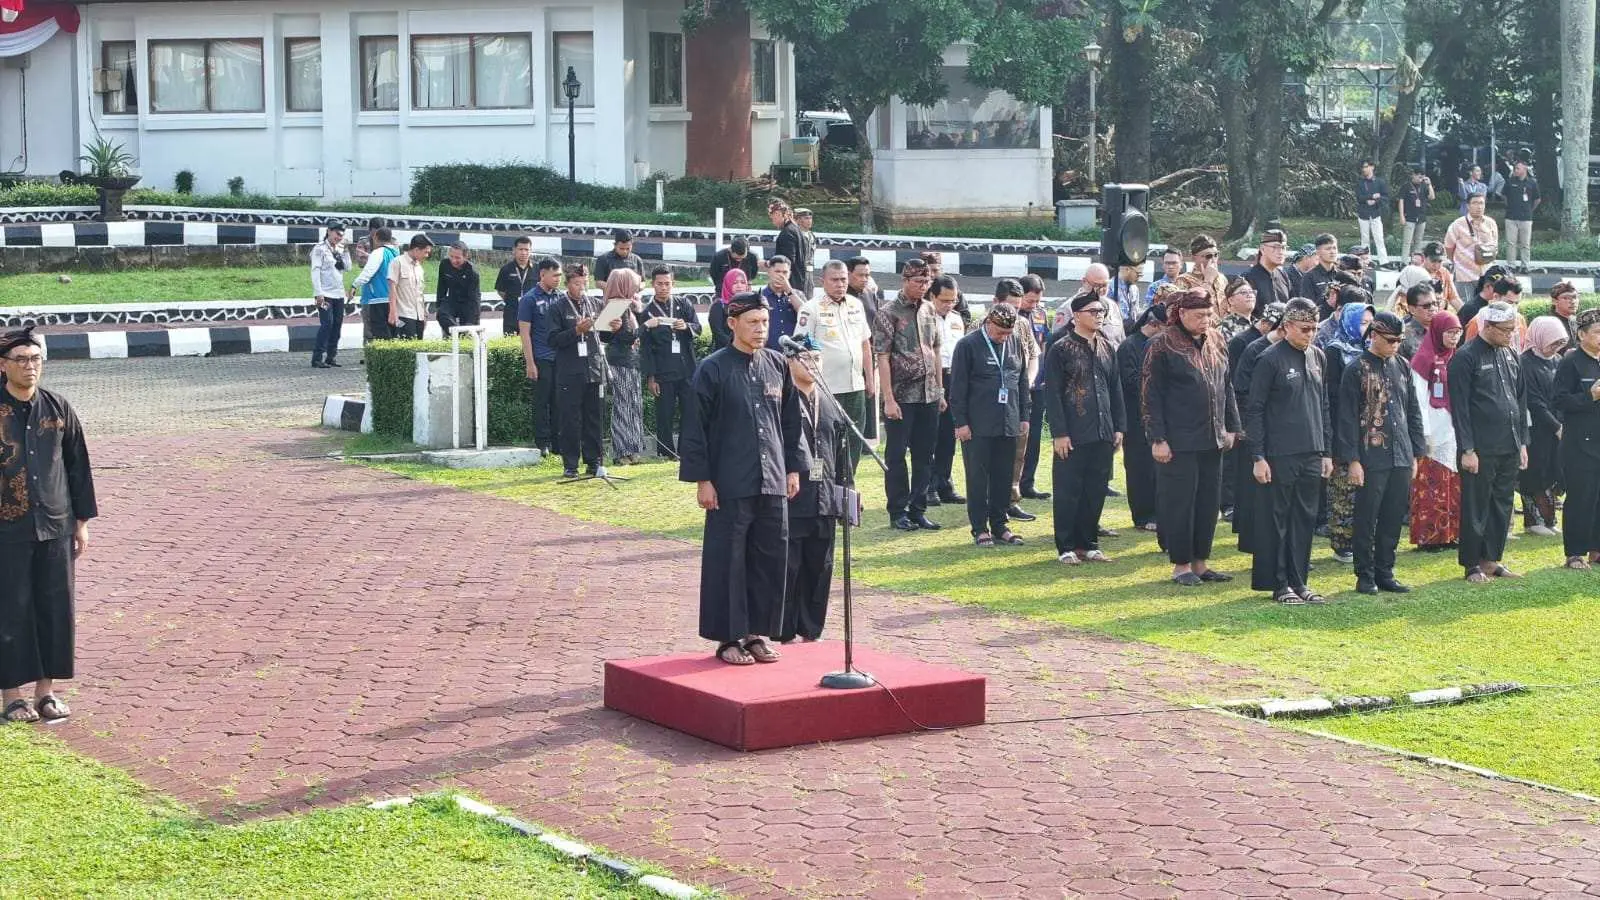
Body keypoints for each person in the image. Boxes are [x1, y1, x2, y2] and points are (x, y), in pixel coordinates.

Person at [679, 291, 807, 666]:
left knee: (770, 556)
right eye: (753, 323)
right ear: (733, 324)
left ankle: (757, 634)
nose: (760, 329)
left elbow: (790, 421)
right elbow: (694, 430)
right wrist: (703, 480)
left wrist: (793, 468)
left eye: (764, 322)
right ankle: (728, 639)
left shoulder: (777, 364)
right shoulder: (713, 368)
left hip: (772, 479)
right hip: (729, 482)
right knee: (728, 560)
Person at [0, 327, 97, 724]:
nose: (30, 367)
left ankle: (46, 692)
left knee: (55, 607)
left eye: (36, 359)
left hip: (55, 526)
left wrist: (81, 521)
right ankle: (12, 695)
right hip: (7, 529)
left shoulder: (58, 409)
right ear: (3, 365)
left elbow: (78, 466)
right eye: (21, 360)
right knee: (11, 608)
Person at [1142, 288, 1239, 586]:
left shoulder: (1218, 340)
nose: (1205, 320)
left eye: (1209, 315)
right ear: (1181, 314)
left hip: (1212, 436)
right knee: (1180, 502)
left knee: (1208, 502)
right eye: (1199, 316)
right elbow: (1150, 396)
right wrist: (1157, 438)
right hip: (1178, 439)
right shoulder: (1162, 345)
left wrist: (1232, 425)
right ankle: (1181, 565)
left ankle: (1201, 562)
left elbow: (1227, 385)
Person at [1245, 299, 1333, 604]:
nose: (1310, 334)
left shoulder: (1318, 357)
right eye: (1305, 328)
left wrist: (1326, 452)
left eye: (1314, 329)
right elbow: (1254, 409)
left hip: (1311, 450)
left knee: (1304, 520)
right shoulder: (1269, 359)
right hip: (1279, 453)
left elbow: (1323, 405)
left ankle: (1300, 581)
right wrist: (1258, 456)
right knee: (1277, 520)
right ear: (1287, 327)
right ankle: (1279, 583)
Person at [1335, 312, 1426, 594]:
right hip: (1370, 455)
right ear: (1374, 336)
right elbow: (1347, 418)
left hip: (1400, 452)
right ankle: (1365, 574)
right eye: (1390, 340)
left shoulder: (1402, 365)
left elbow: (1412, 410)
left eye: (1400, 340)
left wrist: (1415, 452)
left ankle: (1385, 571)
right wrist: (1352, 460)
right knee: (1367, 516)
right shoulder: (1356, 369)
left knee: (1392, 515)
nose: (1396, 345)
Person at [1448, 301, 1529, 583]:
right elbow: (1459, 409)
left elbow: (1520, 400)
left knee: (1502, 504)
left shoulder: (1511, 354)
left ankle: (1492, 559)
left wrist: (1522, 443)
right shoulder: (1465, 357)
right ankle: (1471, 564)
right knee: (1476, 505)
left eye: (1513, 329)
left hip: (1508, 443)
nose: (1511, 334)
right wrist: (1468, 449)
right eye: (1506, 330)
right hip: (1480, 448)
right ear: (1488, 327)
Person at [777, 336, 849, 643]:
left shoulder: (830, 402)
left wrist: (846, 494)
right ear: (790, 362)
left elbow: (844, 453)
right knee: (789, 566)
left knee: (821, 566)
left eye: (817, 359)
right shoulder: (780, 400)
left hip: (825, 497)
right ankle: (783, 628)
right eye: (806, 358)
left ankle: (811, 627)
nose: (812, 365)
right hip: (793, 498)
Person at [1045, 292, 1125, 564]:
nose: (1099, 315)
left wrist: (1119, 427)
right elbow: (1053, 394)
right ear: (1077, 315)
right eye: (1093, 311)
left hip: (1103, 429)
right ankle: (1066, 546)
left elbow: (1116, 389)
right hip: (1073, 431)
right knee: (1069, 489)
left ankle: (1089, 542)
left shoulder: (1107, 347)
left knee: (1095, 488)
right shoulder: (1060, 348)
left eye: (1101, 311)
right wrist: (1059, 433)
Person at [950, 304, 1031, 546]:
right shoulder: (968, 345)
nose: (1003, 337)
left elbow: (1022, 381)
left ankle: (1000, 524)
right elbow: (957, 388)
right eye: (999, 332)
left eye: (1007, 333)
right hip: (978, 424)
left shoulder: (1015, 342)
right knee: (977, 477)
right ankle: (979, 528)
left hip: (1009, 421)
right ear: (988, 323)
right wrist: (961, 423)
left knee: (1004, 476)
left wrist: (1024, 415)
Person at [873, 258, 945, 531]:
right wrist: (888, 398)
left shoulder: (929, 309)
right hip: (901, 396)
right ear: (905, 281)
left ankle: (918, 509)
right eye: (918, 282)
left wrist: (940, 390)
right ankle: (897, 511)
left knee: (925, 455)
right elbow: (882, 356)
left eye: (927, 282)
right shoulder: (888, 312)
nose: (923, 287)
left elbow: (936, 350)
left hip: (928, 394)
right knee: (896, 455)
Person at [794, 260, 874, 474]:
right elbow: (799, 350)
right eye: (835, 280)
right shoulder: (810, 309)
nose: (840, 284)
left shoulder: (856, 305)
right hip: (825, 389)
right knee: (823, 441)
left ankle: (848, 488)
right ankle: (820, 489)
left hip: (855, 386)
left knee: (854, 441)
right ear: (823, 281)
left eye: (844, 280)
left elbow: (865, 343)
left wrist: (870, 379)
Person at [1230, 301, 1288, 555]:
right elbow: (1240, 389)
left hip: (1282, 427)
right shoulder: (1254, 349)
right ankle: (1252, 538)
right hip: (1254, 423)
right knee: (1253, 484)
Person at [1323, 296, 1376, 564]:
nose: (1367, 328)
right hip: (1343, 426)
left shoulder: (1372, 351)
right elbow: (1332, 395)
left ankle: (1364, 538)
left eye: (1370, 322)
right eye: (1363, 322)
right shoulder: (1334, 351)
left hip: (1370, 428)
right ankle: (1342, 541)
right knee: (1344, 486)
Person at [1409, 311, 1464, 551]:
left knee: (1452, 482)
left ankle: (1450, 533)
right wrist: (1425, 432)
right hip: (1432, 429)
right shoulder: (1423, 359)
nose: (1453, 337)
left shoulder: (1457, 358)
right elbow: (1419, 399)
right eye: (1449, 333)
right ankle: (1429, 537)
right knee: (1431, 484)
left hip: (1453, 429)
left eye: (1457, 333)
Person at [548, 262, 607, 477]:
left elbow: (605, 335)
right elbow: (553, 340)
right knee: (570, 419)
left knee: (594, 418)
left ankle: (594, 462)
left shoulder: (595, 304)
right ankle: (570, 464)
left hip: (593, 368)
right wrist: (575, 330)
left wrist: (615, 327)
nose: (580, 287)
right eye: (576, 283)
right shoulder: (558, 307)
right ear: (568, 284)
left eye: (584, 283)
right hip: (570, 371)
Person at [1554, 308, 1600, 569]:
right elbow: (1559, 401)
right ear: (1581, 334)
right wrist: (1588, 397)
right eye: (1597, 332)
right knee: (1581, 497)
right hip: (1579, 444)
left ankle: (1596, 549)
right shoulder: (1570, 362)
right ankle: (1575, 553)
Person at [640, 266, 700, 459]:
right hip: (663, 371)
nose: (664, 287)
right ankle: (665, 452)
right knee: (664, 414)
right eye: (660, 284)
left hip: (686, 368)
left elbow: (698, 327)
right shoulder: (648, 312)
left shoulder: (684, 304)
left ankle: (686, 450)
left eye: (667, 284)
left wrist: (687, 326)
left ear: (673, 283)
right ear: (653, 284)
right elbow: (646, 349)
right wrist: (651, 377)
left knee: (689, 412)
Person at [1120, 301, 1168, 533]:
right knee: (1139, 467)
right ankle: (1142, 514)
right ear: (1155, 325)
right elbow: (1129, 382)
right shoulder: (1129, 346)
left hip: (1157, 415)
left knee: (1157, 467)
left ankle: (1159, 512)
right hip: (1135, 416)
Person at [1520, 316, 1568, 537]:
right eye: (1552, 343)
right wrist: (1555, 426)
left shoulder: (1558, 361)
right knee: (1534, 472)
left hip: (1556, 427)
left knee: (1552, 469)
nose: (1555, 348)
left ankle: (1549, 519)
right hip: (1536, 428)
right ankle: (1533, 520)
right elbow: (1534, 401)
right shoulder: (1525, 363)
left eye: (1559, 343)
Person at [1009, 278, 1048, 521]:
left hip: (1038, 382)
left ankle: (1028, 481)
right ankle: (1012, 487)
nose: (1034, 304)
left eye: (1037, 300)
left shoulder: (1041, 314)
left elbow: (1044, 346)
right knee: (1014, 440)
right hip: (1016, 387)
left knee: (1032, 437)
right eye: (1030, 299)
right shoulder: (1010, 318)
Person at [517, 258, 566, 455]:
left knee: (559, 401)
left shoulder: (560, 297)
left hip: (560, 358)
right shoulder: (529, 299)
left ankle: (557, 443)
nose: (557, 279)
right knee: (542, 402)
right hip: (541, 357)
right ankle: (542, 442)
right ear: (542, 274)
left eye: (560, 276)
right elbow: (524, 333)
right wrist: (530, 362)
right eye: (554, 275)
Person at [600, 268, 646, 466]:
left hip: (631, 361)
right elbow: (616, 337)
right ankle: (622, 450)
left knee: (633, 405)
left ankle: (633, 449)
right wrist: (645, 327)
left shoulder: (628, 306)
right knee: (623, 406)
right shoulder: (615, 305)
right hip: (620, 362)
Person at [927, 276, 967, 507]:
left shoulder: (956, 319)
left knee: (950, 436)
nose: (949, 304)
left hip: (954, 377)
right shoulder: (924, 317)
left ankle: (945, 482)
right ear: (933, 296)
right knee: (931, 435)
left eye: (953, 300)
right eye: (944, 300)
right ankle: (929, 486)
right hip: (932, 376)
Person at [846, 256, 883, 443]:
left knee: (869, 395)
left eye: (867, 275)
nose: (864, 279)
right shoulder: (842, 297)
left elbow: (876, 323)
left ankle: (867, 440)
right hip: (847, 357)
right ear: (849, 274)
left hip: (869, 354)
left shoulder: (870, 294)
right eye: (860, 275)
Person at [310, 221, 351, 369]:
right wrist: (318, 293)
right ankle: (317, 358)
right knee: (327, 324)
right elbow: (315, 271)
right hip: (325, 295)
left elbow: (348, 267)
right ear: (329, 231)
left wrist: (346, 251)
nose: (339, 237)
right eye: (337, 234)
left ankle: (331, 357)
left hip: (338, 294)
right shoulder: (319, 249)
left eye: (341, 235)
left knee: (337, 326)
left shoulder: (340, 249)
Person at [349, 226, 398, 341]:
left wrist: (354, 285)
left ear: (375, 237)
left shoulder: (378, 252)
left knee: (376, 334)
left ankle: (374, 358)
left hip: (377, 300)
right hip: (392, 299)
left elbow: (368, 272)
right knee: (390, 334)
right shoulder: (395, 253)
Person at [1444, 193, 1499, 289]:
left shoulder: (1491, 223)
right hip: (1465, 275)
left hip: (1487, 274)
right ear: (1468, 206)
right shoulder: (1457, 224)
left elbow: (1495, 245)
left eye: (1482, 203)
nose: (1479, 206)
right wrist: (1456, 262)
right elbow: (1448, 247)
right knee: (1466, 303)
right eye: (1475, 203)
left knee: (1485, 304)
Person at [386, 233, 434, 339]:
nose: (427, 256)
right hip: (403, 315)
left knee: (418, 351)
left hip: (419, 316)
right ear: (416, 250)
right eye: (425, 252)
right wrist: (392, 312)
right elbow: (392, 288)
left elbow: (420, 293)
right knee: (406, 349)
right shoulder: (397, 262)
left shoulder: (419, 268)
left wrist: (424, 314)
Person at [1242, 229, 1292, 317]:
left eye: (1283, 248)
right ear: (1262, 249)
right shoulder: (1248, 278)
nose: (1280, 252)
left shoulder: (1283, 275)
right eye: (1275, 247)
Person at [1502, 159, 1541, 271]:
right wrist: (1509, 206)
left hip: (1526, 217)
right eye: (1515, 168)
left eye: (1518, 168)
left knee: (1525, 243)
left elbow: (1537, 199)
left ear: (1524, 169)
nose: (1515, 170)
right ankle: (1511, 265)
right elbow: (1504, 196)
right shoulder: (1510, 181)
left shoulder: (1532, 182)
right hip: (1511, 216)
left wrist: (1530, 209)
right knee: (1511, 242)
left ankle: (1525, 265)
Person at [435, 241, 481, 333]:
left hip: (468, 302)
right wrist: (438, 307)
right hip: (452, 300)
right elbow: (441, 288)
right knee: (441, 313)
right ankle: (456, 334)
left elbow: (474, 298)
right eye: (451, 256)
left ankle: (465, 336)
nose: (453, 261)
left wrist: (471, 322)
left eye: (457, 258)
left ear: (465, 256)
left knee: (470, 327)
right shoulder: (444, 265)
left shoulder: (472, 272)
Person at [771, 200, 812, 298]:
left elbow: (786, 262)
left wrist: (767, 264)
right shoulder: (796, 229)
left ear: (778, 214)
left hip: (790, 285)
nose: (772, 221)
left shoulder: (787, 233)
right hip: (800, 280)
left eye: (772, 217)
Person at [495, 236, 535, 337]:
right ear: (514, 250)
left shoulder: (537, 269)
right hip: (511, 314)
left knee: (531, 344)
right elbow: (501, 290)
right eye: (520, 249)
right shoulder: (506, 269)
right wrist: (512, 300)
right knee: (511, 343)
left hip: (532, 314)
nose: (523, 252)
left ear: (531, 251)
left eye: (526, 249)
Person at [1175, 235, 1228, 306]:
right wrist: (1208, 280)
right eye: (1208, 256)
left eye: (1216, 255)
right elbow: (1190, 306)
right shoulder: (1183, 280)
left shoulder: (1222, 278)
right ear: (1194, 258)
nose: (1213, 260)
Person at [1355, 160, 1390, 265]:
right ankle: (1366, 262)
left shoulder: (1380, 182)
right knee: (1364, 239)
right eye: (1363, 167)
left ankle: (1384, 262)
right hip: (1363, 214)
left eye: (1366, 167)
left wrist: (1376, 200)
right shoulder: (1360, 182)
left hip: (1375, 213)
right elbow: (1359, 197)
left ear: (1372, 167)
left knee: (1379, 238)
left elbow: (1386, 197)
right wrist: (1370, 198)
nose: (1364, 169)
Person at [1398, 168, 1436, 260]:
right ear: (1413, 175)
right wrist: (1402, 216)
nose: (1420, 179)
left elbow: (1432, 197)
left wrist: (1429, 184)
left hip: (1421, 217)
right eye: (1419, 177)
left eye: (1422, 177)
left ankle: (1415, 261)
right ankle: (1404, 262)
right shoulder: (1406, 186)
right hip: (1410, 217)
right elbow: (1401, 201)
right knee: (1407, 241)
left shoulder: (1424, 186)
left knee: (1418, 241)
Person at [762, 255, 802, 342]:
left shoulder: (798, 295)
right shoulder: (760, 296)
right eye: (777, 271)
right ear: (769, 272)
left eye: (785, 272)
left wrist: (789, 291)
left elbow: (806, 314)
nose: (781, 276)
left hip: (793, 349)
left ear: (789, 274)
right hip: (768, 350)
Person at [710, 269, 750, 352]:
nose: (739, 286)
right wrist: (737, 345)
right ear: (728, 283)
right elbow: (718, 333)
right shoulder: (718, 305)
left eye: (742, 282)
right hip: (724, 353)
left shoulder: (751, 305)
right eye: (735, 283)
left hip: (747, 351)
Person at [1398, 281, 1439, 361]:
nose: (1432, 308)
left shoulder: (1442, 330)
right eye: (1426, 306)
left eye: (1435, 304)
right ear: (1412, 309)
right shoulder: (1402, 335)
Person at [1303, 234, 1340, 313]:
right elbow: (1307, 307)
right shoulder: (1309, 277)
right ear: (1318, 252)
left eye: (1334, 248)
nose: (1332, 252)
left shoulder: (1342, 275)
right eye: (1328, 249)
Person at [1108, 264, 1145, 335]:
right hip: (1113, 333)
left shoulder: (1134, 289)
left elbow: (1135, 313)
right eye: (1138, 274)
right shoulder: (1109, 287)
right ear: (1127, 269)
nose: (1139, 278)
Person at [794, 207, 819, 298]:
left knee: (809, 294)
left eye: (810, 218)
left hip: (809, 271)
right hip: (799, 271)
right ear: (798, 220)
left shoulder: (811, 235)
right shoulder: (796, 235)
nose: (809, 221)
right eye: (806, 218)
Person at [1551, 281, 1581, 346]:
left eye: (1575, 297)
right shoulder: (1549, 324)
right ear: (1554, 301)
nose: (1573, 302)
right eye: (1566, 298)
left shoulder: (1580, 322)